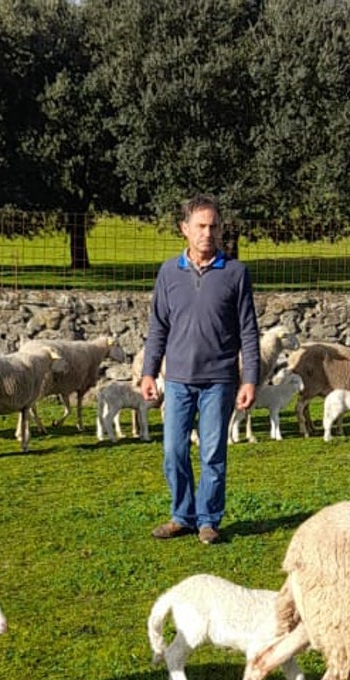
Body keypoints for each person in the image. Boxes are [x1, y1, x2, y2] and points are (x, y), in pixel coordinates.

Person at [139, 195, 260, 545]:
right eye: (201, 226)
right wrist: (149, 372)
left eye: (214, 226)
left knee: (212, 454)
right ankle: (182, 515)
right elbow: (158, 325)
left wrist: (249, 378)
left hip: (219, 381)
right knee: (173, 451)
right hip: (177, 380)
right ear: (185, 229)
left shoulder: (236, 273)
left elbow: (248, 331)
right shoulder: (168, 272)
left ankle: (208, 520)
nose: (208, 233)